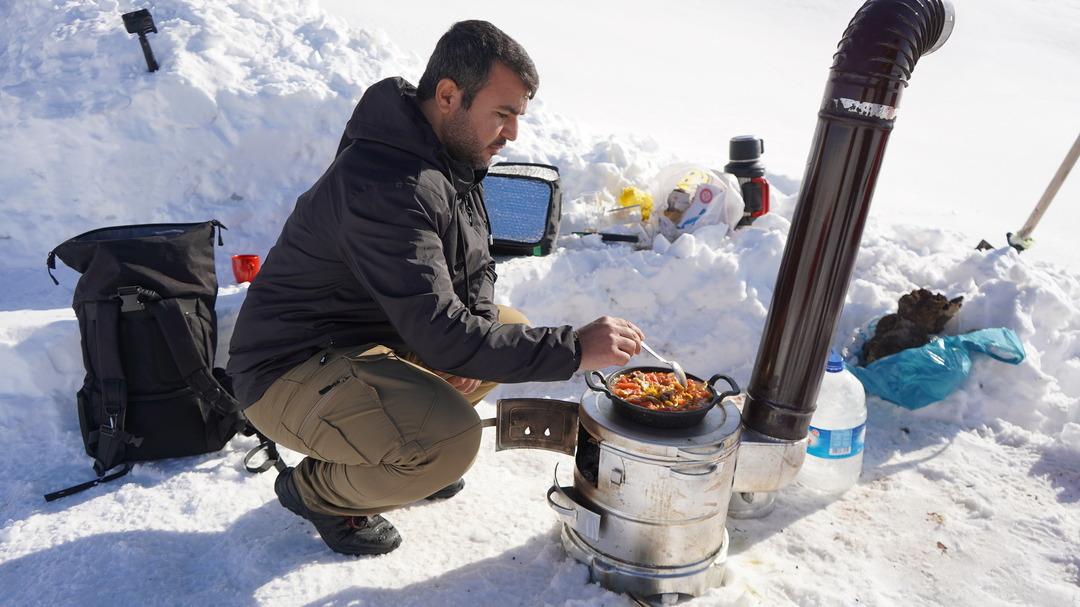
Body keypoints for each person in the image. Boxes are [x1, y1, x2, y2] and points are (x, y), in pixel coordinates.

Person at [226, 20, 644, 556]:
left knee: (505, 328)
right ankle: (320, 493)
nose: (512, 132)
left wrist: (467, 343)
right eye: (503, 113)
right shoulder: (386, 185)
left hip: (361, 342)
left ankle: (407, 451)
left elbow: (475, 267)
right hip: (286, 369)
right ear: (448, 95)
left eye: (518, 115)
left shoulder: (448, 157)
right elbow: (444, 331)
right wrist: (573, 348)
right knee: (450, 442)